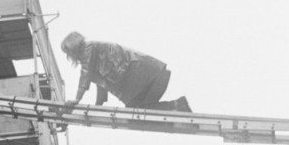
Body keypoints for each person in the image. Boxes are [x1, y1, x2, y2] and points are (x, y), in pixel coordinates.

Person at [60, 32, 192, 112]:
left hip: (144, 75)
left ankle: (178, 105)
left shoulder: (87, 49)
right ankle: (179, 105)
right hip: (147, 76)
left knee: (136, 113)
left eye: (68, 53)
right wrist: (98, 106)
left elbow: (86, 74)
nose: (69, 57)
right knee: (138, 113)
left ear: (73, 48)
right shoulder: (92, 52)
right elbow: (101, 83)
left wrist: (77, 99)